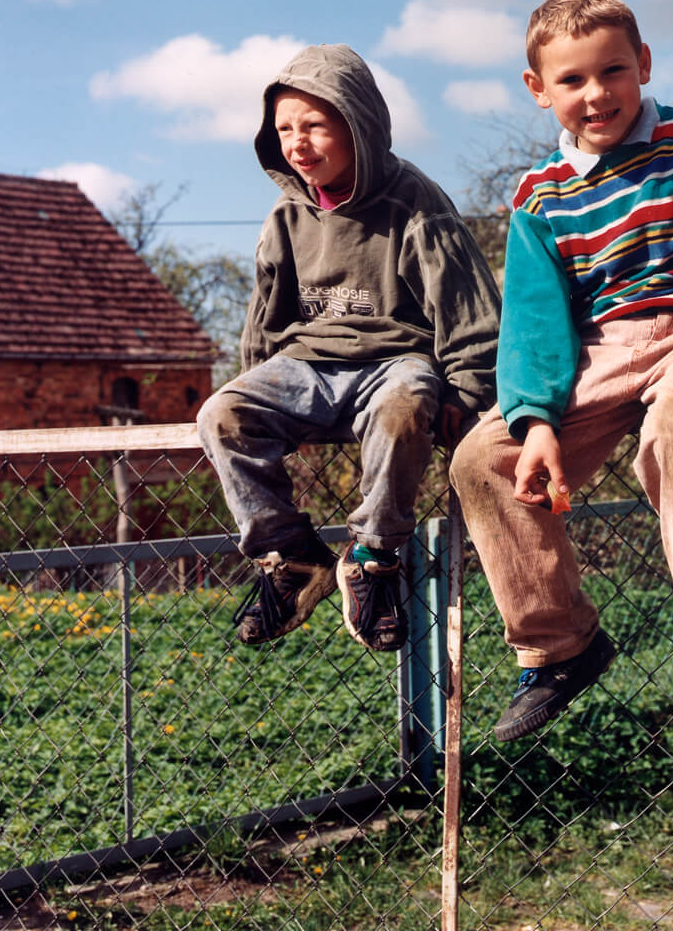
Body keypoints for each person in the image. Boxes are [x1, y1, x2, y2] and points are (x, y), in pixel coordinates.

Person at [449, 0, 673, 741]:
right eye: (572, 80)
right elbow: (535, 324)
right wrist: (535, 419)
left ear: (643, 64)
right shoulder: (540, 197)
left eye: (613, 71)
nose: (596, 93)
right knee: (485, 457)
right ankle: (558, 646)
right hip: (603, 349)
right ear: (538, 90)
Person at [197, 44, 500, 651]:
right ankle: (291, 556)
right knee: (219, 413)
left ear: (357, 124)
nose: (297, 143)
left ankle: (373, 556)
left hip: (395, 361)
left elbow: (467, 306)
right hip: (306, 365)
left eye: (313, 125)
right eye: (284, 129)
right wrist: (259, 390)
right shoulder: (285, 217)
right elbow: (264, 318)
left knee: (403, 406)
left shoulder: (415, 202)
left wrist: (468, 393)